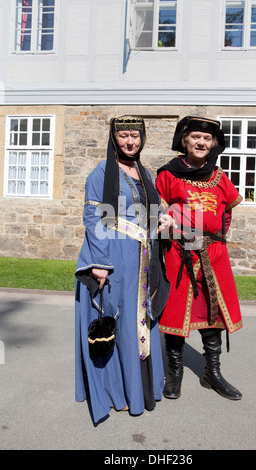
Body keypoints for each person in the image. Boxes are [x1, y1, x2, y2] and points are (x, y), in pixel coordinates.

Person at [75, 116, 172, 424]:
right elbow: (94, 217)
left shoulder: (143, 172)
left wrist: (164, 222)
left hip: (143, 257)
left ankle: (143, 388)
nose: (131, 142)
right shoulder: (102, 172)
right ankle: (117, 390)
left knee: (140, 319)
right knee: (120, 322)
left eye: (135, 136)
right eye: (125, 136)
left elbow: (150, 213)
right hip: (115, 257)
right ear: (114, 138)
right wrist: (101, 263)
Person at [155, 116, 243, 401]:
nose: (201, 142)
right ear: (185, 141)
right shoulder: (169, 174)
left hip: (213, 253)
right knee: (176, 311)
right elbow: (159, 210)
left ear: (212, 144)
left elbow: (226, 211)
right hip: (179, 252)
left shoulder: (219, 176)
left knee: (213, 312)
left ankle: (212, 372)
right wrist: (167, 225)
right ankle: (175, 372)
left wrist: (216, 237)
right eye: (196, 137)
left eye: (207, 139)